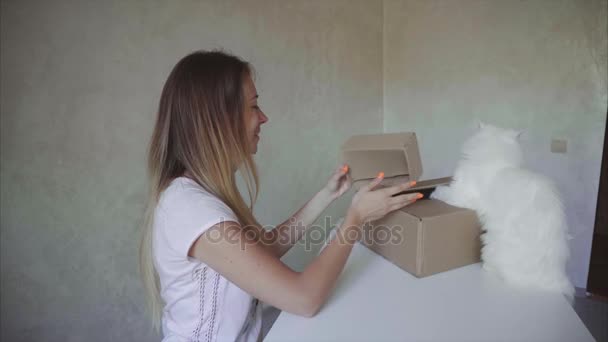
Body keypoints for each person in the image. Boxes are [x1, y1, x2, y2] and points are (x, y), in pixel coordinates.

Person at [139, 50, 421, 342]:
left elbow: (263, 252)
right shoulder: (191, 209)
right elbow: (304, 298)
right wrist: (356, 218)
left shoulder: (200, 193)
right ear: (219, 120)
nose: (264, 118)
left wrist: (326, 196)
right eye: (253, 107)